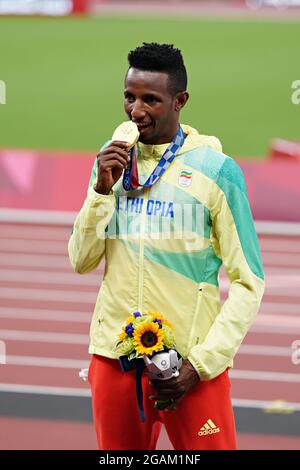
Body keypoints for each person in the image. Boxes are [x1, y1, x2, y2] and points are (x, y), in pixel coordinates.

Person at [68, 43, 265, 450]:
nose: (135, 111)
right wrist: (101, 191)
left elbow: (249, 282)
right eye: (129, 97)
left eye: (150, 100)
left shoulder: (216, 172)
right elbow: (80, 261)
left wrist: (202, 363)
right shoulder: (111, 166)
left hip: (190, 368)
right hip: (114, 360)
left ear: (180, 101)